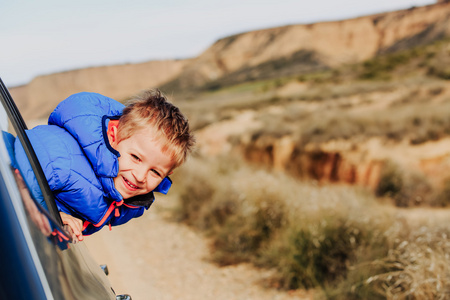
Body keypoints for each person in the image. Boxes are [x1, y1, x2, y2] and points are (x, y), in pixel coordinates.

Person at [14, 89, 194, 242]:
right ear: (114, 136)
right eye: (136, 158)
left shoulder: (131, 203)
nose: (140, 176)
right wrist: (47, 212)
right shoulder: (64, 160)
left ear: (167, 174)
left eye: (155, 172)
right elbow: (17, 176)